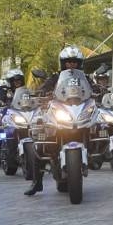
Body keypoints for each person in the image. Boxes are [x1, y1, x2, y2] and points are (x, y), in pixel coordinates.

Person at [26, 47, 84, 196]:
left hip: (78, 112)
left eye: (74, 62)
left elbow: (91, 88)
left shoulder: (84, 77)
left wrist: (99, 90)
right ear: (63, 63)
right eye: (68, 62)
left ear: (79, 63)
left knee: (99, 126)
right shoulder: (56, 77)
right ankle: (36, 182)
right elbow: (45, 87)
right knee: (40, 144)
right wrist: (42, 91)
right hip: (59, 112)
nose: (72, 65)